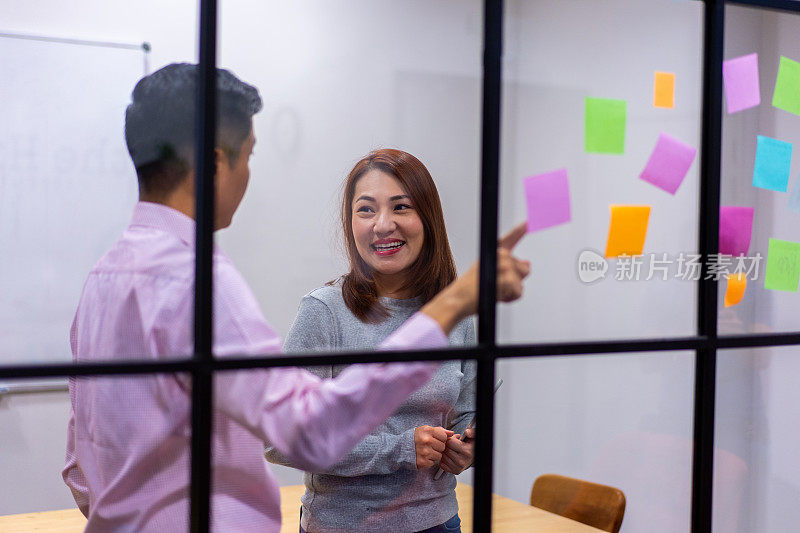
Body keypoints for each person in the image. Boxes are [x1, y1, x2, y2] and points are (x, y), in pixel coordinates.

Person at [61, 63, 531, 533]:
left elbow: (80, 463)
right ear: (215, 164)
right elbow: (308, 432)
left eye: (401, 207)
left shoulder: (104, 278)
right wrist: (455, 303)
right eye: (248, 156)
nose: (248, 175)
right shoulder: (197, 282)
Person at [266, 149, 477, 533]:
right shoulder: (324, 312)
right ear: (350, 223)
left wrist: (468, 444)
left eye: (401, 207)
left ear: (427, 219)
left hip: (439, 521)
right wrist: (398, 450)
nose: (383, 225)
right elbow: (281, 437)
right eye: (366, 210)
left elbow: (466, 412)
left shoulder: (453, 314)